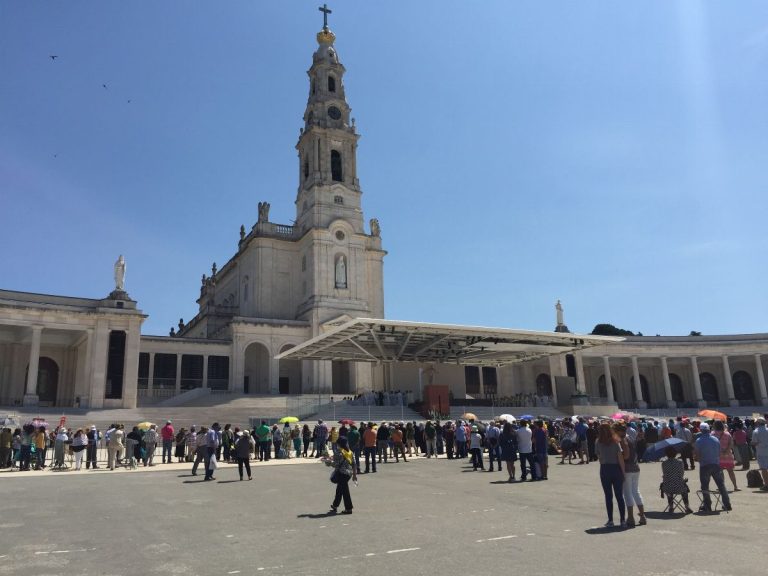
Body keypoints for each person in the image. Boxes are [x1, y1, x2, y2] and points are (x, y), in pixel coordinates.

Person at [694, 423, 732, 512]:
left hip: (705, 465)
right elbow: (719, 453)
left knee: (705, 486)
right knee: (721, 485)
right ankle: (727, 504)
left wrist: (698, 459)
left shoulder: (699, 440)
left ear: (701, 430)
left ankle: (707, 505)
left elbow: (697, 455)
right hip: (716, 465)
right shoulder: (715, 439)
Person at [596, 421, 626, 528]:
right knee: (619, 496)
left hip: (605, 469)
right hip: (616, 469)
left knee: (608, 496)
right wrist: (623, 473)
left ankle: (610, 520)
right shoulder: (615, 441)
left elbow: (599, 458)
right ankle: (622, 520)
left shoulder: (598, 442)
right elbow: (620, 459)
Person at [617, 423, 646, 526]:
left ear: (620, 431)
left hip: (627, 469)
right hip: (635, 467)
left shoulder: (623, 440)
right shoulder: (631, 438)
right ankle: (642, 516)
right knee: (636, 491)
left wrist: (619, 457)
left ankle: (630, 517)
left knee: (627, 493)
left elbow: (626, 455)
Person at [324, 436, 357, 514]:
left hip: (342, 473)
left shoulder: (338, 452)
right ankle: (335, 505)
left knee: (345, 491)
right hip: (348, 474)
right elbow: (354, 464)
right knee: (340, 489)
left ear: (339, 444)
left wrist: (328, 462)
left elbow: (336, 464)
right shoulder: (349, 452)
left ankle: (348, 508)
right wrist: (355, 475)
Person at [661, 446, 693, 514]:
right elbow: (681, 474)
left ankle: (671, 507)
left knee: (668, 485)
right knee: (684, 487)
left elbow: (665, 474)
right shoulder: (680, 462)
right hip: (679, 487)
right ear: (675, 453)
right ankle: (687, 506)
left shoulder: (664, 463)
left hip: (668, 487)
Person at [711, 420, 739, 491]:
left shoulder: (712, 434)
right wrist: (726, 450)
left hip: (718, 456)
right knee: (731, 471)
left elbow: (712, 445)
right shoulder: (727, 434)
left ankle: (722, 487)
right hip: (728, 455)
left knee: (720, 472)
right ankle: (735, 486)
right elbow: (731, 444)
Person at [751, 417, 768, 491]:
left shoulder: (756, 431)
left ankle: (766, 484)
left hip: (761, 452)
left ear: (758, 423)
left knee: (764, 469)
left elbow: (754, 442)